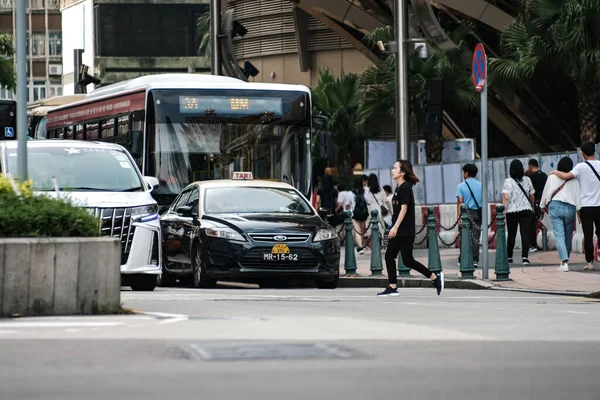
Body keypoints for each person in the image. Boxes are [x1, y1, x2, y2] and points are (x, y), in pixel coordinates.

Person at [378, 160, 444, 297]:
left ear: (402, 172)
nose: (392, 170)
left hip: (404, 231)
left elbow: (404, 208)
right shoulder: (399, 187)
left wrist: (395, 227)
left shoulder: (405, 187)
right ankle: (393, 286)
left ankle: (435, 278)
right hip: (401, 230)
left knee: (398, 258)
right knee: (398, 257)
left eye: (395, 168)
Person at [550, 141, 600, 271]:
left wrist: (555, 172)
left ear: (583, 154)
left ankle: (590, 263)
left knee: (588, 235)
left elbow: (566, 176)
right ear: (594, 151)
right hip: (599, 206)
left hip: (585, 207)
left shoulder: (580, 167)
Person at [539, 157, 580, 272]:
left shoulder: (552, 177)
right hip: (570, 209)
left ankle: (564, 262)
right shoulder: (575, 180)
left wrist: (542, 206)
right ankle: (565, 261)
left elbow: (545, 193)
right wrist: (579, 213)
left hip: (555, 207)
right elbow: (578, 199)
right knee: (568, 236)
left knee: (559, 236)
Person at [502, 159, 535, 265]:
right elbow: (532, 195)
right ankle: (525, 257)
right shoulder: (527, 180)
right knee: (525, 234)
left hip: (512, 211)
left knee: (512, 234)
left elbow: (506, 197)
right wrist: (532, 207)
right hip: (526, 210)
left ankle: (509, 257)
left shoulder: (508, 181)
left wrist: (504, 210)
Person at [456, 163, 483, 268]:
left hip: (465, 213)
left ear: (466, 173)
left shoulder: (461, 186)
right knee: (475, 237)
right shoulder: (481, 185)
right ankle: (475, 259)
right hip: (477, 213)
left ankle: (463, 258)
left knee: (464, 237)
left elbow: (460, 201)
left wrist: (459, 216)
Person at [526, 159, 547, 252]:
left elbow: (530, 193)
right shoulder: (544, 176)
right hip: (542, 203)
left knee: (530, 225)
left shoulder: (530, 177)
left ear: (530, 166)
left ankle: (532, 245)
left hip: (534, 203)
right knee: (535, 223)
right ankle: (534, 244)